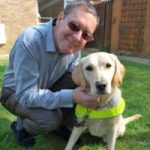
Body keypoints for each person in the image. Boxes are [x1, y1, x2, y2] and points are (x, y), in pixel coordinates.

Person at [0, 0, 100, 147]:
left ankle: (60, 127)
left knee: (80, 80)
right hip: (15, 93)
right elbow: (26, 96)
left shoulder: (75, 47)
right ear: (60, 18)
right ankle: (22, 127)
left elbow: (75, 77)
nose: (77, 37)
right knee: (51, 118)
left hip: (45, 87)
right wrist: (72, 96)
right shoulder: (30, 40)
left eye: (86, 35)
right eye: (74, 26)